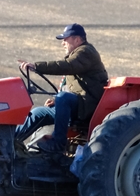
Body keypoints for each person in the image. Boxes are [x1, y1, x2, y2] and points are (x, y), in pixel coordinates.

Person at [16, 23, 109, 156]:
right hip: (77, 103)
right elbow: (73, 85)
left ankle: (58, 143)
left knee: (63, 98)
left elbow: (67, 66)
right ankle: (9, 141)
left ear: (77, 39)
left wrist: (37, 67)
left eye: (66, 39)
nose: (63, 43)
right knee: (38, 112)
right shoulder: (78, 55)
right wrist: (55, 101)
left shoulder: (86, 52)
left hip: (87, 106)